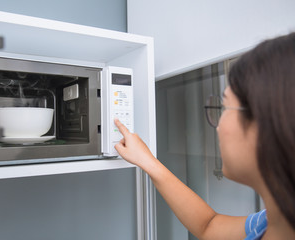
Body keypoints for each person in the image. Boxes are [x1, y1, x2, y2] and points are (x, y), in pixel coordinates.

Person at [114, 32, 295, 240]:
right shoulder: (267, 222)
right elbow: (209, 226)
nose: (217, 126)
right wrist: (149, 162)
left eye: (225, 106)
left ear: (267, 125)